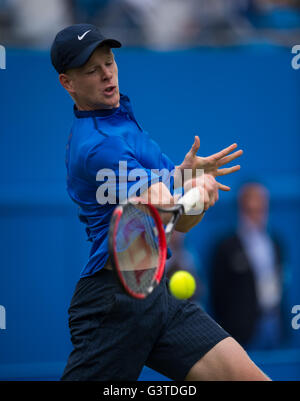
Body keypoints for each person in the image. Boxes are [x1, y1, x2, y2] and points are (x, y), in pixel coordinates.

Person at [50, 23, 269, 381]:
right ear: (68, 83)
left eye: (110, 62)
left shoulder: (121, 118)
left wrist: (192, 188)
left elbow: (178, 222)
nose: (107, 74)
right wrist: (189, 187)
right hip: (110, 305)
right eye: (92, 70)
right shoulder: (97, 145)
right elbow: (160, 200)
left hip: (155, 294)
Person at [210, 182, 284, 350]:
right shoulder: (226, 247)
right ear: (241, 209)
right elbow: (218, 295)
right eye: (251, 210)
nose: (257, 215)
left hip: (272, 325)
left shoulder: (276, 244)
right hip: (241, 331)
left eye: (261, 209)